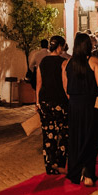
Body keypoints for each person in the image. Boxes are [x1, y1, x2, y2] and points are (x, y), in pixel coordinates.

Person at [62, 33, 98, 186]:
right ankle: (88, 174)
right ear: (88, 45)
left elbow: (66, 88)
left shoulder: (67, 63)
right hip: (91, 104)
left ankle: (75, 171)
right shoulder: (94, 61)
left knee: (76, 138)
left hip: (74, 104)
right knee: (91, 137)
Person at [36, 36, 69, 175]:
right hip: (59, 101)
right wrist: (70, 99)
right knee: (63, 133)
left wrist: (37, 102)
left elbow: (39, 84)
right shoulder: (63, 62)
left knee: (48, 134)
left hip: (45, 101)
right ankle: (60, 164)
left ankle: (49, 165)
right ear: (60, 46)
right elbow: (65, 84)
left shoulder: (42, 62)